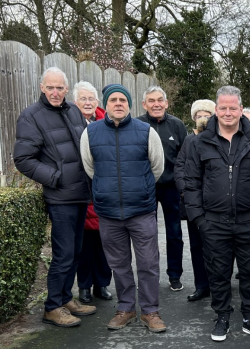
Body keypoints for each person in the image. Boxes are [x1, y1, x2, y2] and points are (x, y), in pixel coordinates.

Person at [183, 86, 250, 342]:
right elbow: (191, 182)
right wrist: (199, 219)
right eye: (222, 107)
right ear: (216, 109)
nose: (227, 112)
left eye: (232, 108)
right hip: (213, 222)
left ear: (240, 109)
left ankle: (249, 318)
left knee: (249, 272)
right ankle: (222, 317)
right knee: (218, 272)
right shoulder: (200, 141)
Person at [14, 67, 97, 327]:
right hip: (60, 196)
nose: (55, 92)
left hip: (80, 194)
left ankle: (64, 298)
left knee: (75, 251)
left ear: (66, 89)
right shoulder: (31, 117)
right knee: (63, 253)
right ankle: (52, 307)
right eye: (50, 87)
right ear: (42, 88)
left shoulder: (73, 111)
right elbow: (23, 159)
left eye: (60, 87)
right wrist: (55, 177)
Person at [80, 84, 167, 332]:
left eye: (123, 100)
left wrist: (141, 189)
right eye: (113, 100)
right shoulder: (91, 133)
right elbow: (90, 168)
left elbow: (157, 167)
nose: (118, 104)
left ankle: (150, 312)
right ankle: (126, 308)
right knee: (119, 263)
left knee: (148, 263)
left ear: (129, 104)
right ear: (105, 105)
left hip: (141, 211)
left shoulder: (146, 131)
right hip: (108, 213)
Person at [140, 86, 188, 292]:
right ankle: (150, 276)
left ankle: (174, 274)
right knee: (146, 235)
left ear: (166, 103)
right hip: (145, 188)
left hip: (171, 188)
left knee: (175, 233)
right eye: (151, 101)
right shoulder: (137, 125)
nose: (156, 104)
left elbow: (185, 158)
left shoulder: (177, 125)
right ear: (145, 104)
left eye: (160, 100)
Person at [72, 81, 113, 304]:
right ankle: (84, 286)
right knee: (85, 245)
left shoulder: (106, 122)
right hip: (80, 189)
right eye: (83, 99)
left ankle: (102, 284)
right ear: (75, 102)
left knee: (105, 243)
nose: (87, 103)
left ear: (97, 102)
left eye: (91, 99)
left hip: (104, 188)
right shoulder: (70, 122)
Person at [175, 100, 215, 302]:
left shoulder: (219, 139)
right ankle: (202, 285)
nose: (203, 117)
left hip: (216, 203)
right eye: (199, 114)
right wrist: (186, 191)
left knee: (217, 246)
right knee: (196, 246)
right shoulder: (189, 141)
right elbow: (179, 167)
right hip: (194, 203)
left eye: (207, 113)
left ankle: (218, 285)